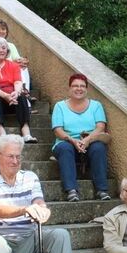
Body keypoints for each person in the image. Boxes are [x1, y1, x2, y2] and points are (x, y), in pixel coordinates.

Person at [51, 73, 110, 202]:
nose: (79, 88)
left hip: (90, 142)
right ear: (69, 89)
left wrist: (86, 140)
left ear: (87, 89)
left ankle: (102, 190)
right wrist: (73, 140)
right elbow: (57, 130)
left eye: (82, 86)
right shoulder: (60, 106)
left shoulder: (96, 105)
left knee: (99, 147)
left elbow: (100, 127)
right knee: (65, 148)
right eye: (75, 86)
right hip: (67, 142)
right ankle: (71, 190)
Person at [0, 37, 37, 143]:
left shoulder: (13, 65)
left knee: (22, 96)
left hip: (12, 100)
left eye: (3, 48)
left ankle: (26, 132)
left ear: (7, 51)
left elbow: (18, 82)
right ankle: (1, 131)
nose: (1, 50)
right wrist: (5, 95)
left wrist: (16, 93)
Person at [0, 19, 32, 94]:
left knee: (23, 67)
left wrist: (22, 61)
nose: (1, 31)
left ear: (6, 32)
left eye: (3, 29)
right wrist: (15, 63)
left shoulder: (11, 45)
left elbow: (17, 58)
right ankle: (21, 91)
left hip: (10, 69)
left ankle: (24, 91)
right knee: (17, 66)